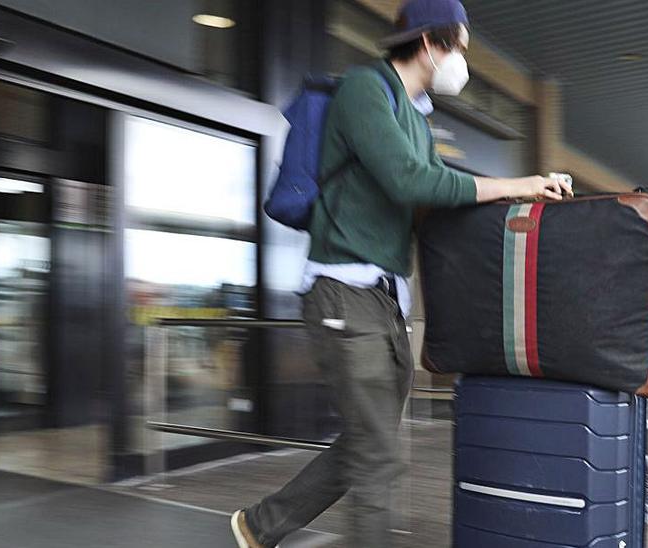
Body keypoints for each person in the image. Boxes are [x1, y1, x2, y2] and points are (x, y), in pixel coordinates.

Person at [230, 1, 571, 546]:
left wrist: (520, 198)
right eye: (458, 45)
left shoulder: (414, 115)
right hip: (343, 291)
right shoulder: (366, 90)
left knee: (371, 442)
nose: (462, 58)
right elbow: (411, 181)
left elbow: (435, 186)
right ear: (429, 42)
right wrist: (516, 184)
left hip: (387, 302)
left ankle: (260, 524)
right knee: (378, 456)